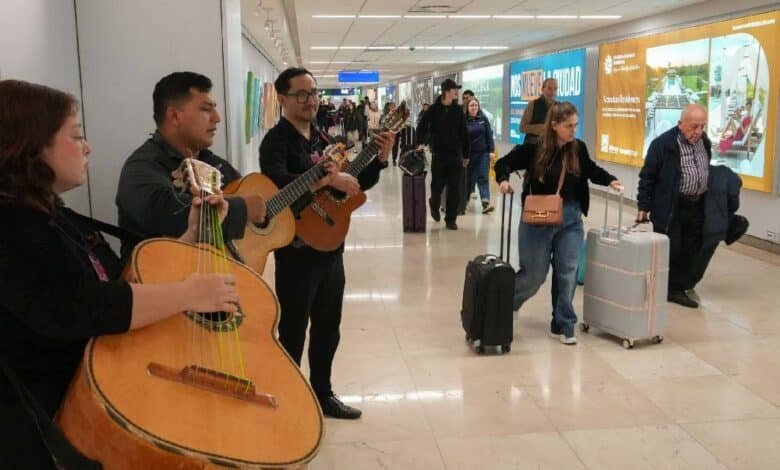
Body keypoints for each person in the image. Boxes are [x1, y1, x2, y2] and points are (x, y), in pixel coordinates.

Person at [0, 80, 238, 468]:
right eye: (76, 136)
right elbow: (80, 307)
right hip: (47, 426)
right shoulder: (12, 227)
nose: (87, 146)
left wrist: (191, 236)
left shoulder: (53, 214)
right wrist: (186, 294)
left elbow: (118, 280)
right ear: (29, 147)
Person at [259, 68, 394, 420]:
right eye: (301, 94)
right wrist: (327, 178)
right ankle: (287, 398)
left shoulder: (321, 138)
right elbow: (277, 188)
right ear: (283, 99)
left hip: (331, 248)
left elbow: (352, 185)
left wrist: (378, 158)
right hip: (297, 250)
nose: (311, 100)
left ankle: (323, 393)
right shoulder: (275, 142)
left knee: (327, 328)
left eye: (314, 92)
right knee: (292, 331)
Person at [495, 101, 621, 344]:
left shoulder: (578, 148)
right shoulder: (534, 148)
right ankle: (507, 303)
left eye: (575, 125)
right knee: (534, 275)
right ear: (554, 125)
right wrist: (503, 180)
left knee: (568, 271)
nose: (573, 130)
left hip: (571, 218)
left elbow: (590, 170)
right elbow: (504, 163)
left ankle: (563, 322)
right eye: (568, 126)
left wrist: (610, 180)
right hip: (538, 219)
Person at [116, 72, 266, 259]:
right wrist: (242, 209)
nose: (217, 118)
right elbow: (169, 212)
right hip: (162, 283)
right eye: (205, 109)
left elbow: (243, 192)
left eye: (214, 109)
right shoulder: (141, 168)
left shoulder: (212, 162)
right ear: (175, 116)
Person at [637, 104, 712, 308]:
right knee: (672, 248)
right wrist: (643, 206)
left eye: (702, 126)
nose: (698, 132)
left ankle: (677, 286)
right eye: (694, 127)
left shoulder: (704, 142)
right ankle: (670, 289)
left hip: (696, 204)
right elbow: (647, 177)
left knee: (691, 247)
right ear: (681, 124)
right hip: (671, 206)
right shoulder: (662, 145)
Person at [415, 78, 470, 230]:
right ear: (446, 91)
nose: (456, 92)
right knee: (437, 186)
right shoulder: (433, 110)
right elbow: (422, 126)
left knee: (454, 188)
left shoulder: (458, 110)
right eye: (454, 90)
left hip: (455, 155)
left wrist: (465, 155)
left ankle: (451, 219)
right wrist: (420, 142)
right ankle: (434, 204)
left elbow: (463, 133)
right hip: (439, 154)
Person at [465, 98, 496, 214]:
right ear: (467, 108)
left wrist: (491, 150)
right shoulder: (464, 121)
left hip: (483, 153)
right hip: (468, 155)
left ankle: (485, 203)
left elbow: (489, 135)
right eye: (471, 106)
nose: (474, 108)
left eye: (476, 105)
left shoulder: (483, 119)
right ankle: (465, 202)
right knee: (469, 179)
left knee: (483, 177)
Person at [520, 78, 557, 145]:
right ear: (542, 89)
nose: (553, 92)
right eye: (549, 88)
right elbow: (522, 127)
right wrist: (540, 128)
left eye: (555, 89)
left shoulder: (559, 107)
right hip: (532, 146)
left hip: (551, 147)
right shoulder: (533, 104)